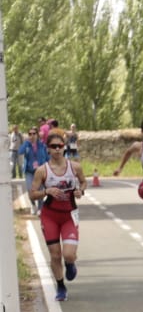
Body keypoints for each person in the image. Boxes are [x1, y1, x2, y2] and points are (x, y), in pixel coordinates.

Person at [30, 129, 86, 302]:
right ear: (47, 149)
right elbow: (32, 194)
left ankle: (70, 264)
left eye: (60, 146)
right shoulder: (42, 171)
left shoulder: (74, 167)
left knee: (68, 254)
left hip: (69, 215)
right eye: (53, 146)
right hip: (50, 216)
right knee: (55, 255)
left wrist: (80, 191)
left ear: (64, 147)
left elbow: (83, 182)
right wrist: (46, 191)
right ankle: (61, 286)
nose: (57, 149)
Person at [19, 127, 46, 214]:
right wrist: (26, 142)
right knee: (30, 189)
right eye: (30, 134)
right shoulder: (27, 144)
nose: (32, 135)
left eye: (34, 133)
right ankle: (33, 205)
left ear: (37, 135)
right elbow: (20, 151)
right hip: (29, 171)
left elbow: (47, 157)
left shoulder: (42, 145)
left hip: (40, 171)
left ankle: (40, 208)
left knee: (40, 190)